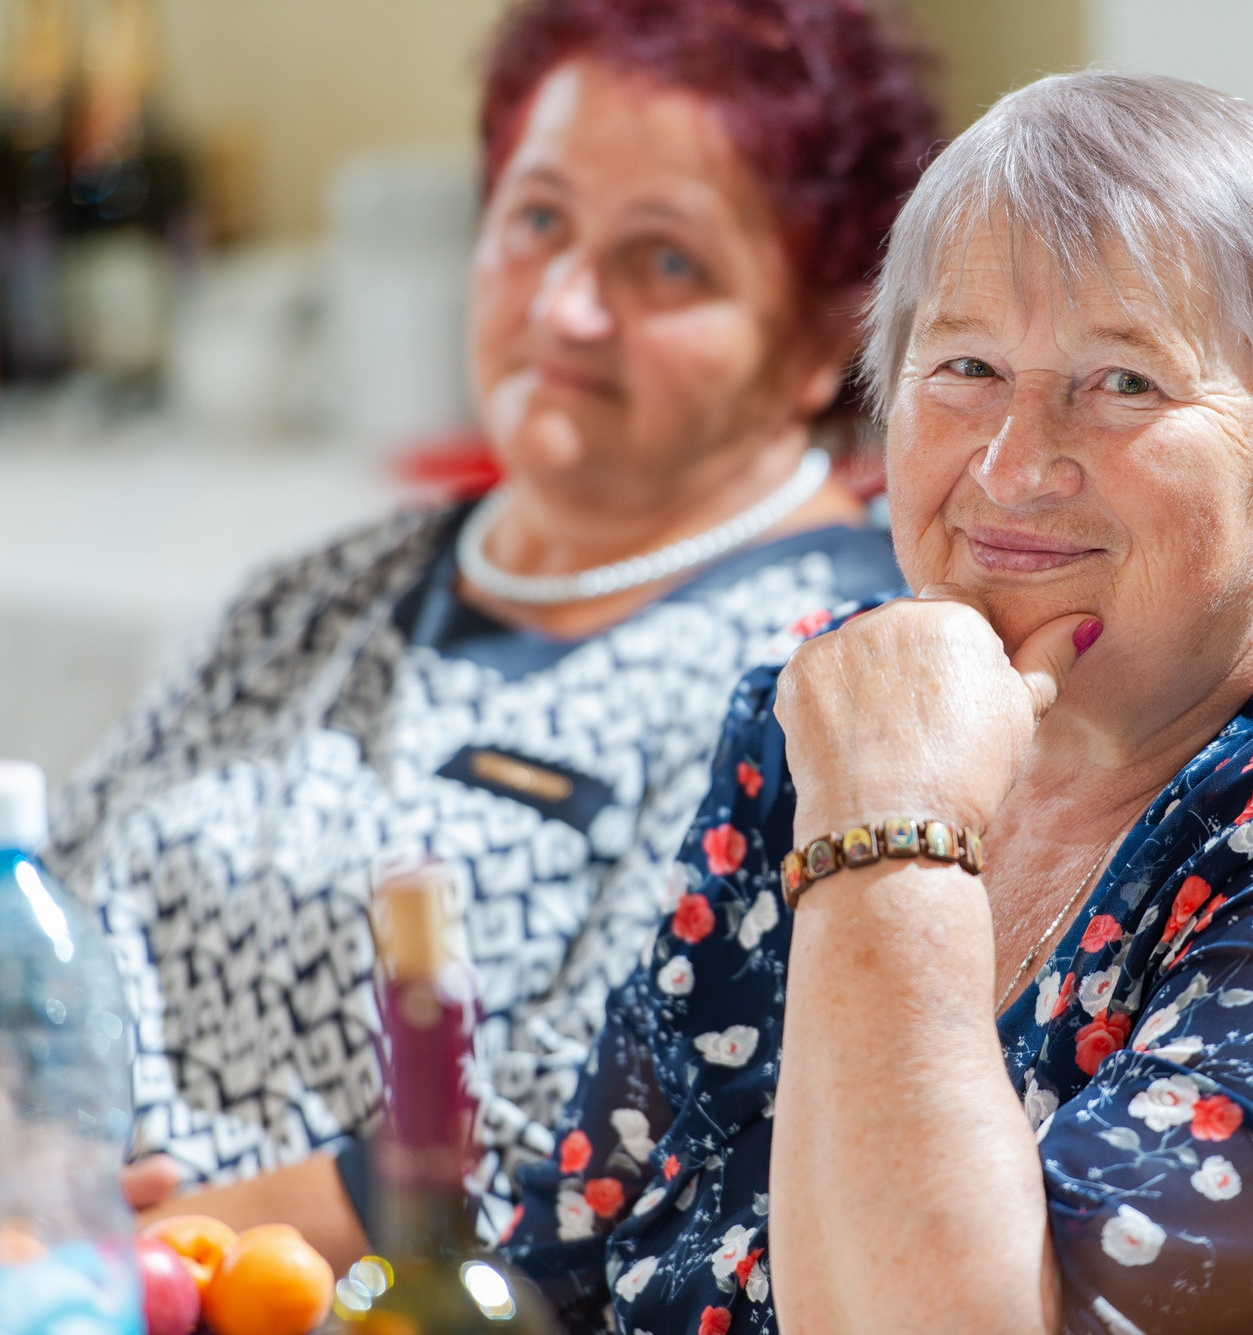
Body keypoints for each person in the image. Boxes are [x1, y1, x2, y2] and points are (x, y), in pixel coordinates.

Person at [501, 70, 1253, 1333]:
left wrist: (893, 836)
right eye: (965, 367)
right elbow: (573, 1261)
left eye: (1124, 383)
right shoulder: (835, 716)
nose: (1014, 464)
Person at [47, 0, 938, 1265]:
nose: (566, 306)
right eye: (536, 221)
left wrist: (145, 1247)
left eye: (665, 261)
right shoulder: (320, 592)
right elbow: (34, 914)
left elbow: (595, 1145)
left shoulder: (833, 671)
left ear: (816, 340)